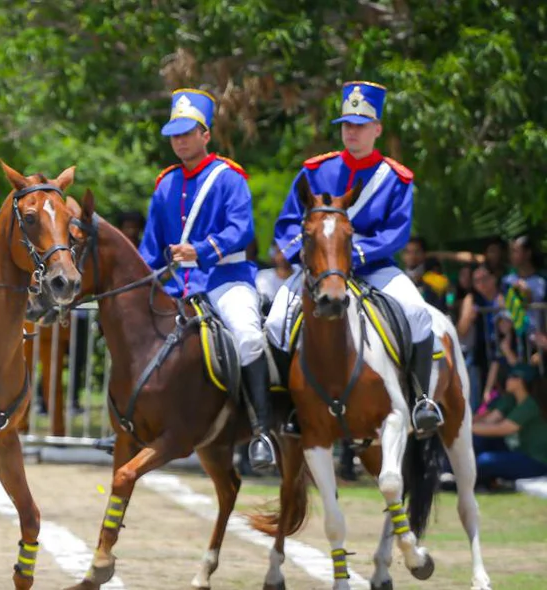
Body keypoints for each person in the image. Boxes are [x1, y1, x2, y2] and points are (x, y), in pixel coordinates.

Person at [265, 81, 443, 435]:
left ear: (377, 129)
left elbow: (397, 232)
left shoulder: (395, 178)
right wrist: (302, 254)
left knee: (419, 313)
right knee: (273, 323)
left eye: (361, 126)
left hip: (374, 268)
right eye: (347, 125)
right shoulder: (316, 171)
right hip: (319, 270)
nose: (352, 132)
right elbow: (286, 223)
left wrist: (356, 254)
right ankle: (287, 407)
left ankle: (421, 400)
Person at [137, 89, 274, 471]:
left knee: (248, 336)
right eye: (174, 133)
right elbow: (151, 248)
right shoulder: (165, 185)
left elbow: (241, 229)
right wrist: (142, 283)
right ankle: (130, 421)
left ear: (205, 135)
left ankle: (261, 432)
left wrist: (201, 250)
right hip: (175, 286)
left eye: (187, 132)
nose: (179, 140)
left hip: (225, 279)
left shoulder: (229, 179)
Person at [469, 363, 547, 488]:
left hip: (536, 462)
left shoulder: (530, 404)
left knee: (484, 461)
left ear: (521, 381)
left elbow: (503, 429)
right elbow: (489, 421)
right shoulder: (514, 400)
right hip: (519, 451)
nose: (507, 379)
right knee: (478, 441)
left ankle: (482, 482)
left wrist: (465, 428)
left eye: (512, 376)